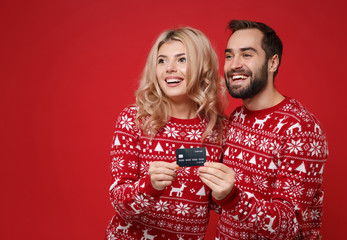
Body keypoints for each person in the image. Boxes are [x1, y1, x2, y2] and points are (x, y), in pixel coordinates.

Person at [199, 20, 328, 239]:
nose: (234, 64)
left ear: (272, 62)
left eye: (247, 55)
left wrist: (231, 197)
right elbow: (225, 204)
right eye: (229, 56)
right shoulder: (237, 118)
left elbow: (288, 226)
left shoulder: (301, 129)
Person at [105, 27, 226, 240]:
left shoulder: (218, 130)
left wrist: (223, 193)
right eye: (161, 61)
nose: (169, 68)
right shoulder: (136, 119)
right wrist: (148, 186)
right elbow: (119, 202)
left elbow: (217, 204)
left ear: (202, 67)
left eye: (181, 60)